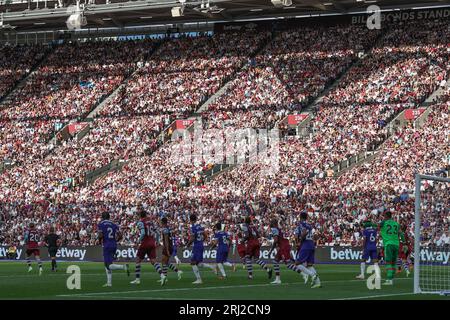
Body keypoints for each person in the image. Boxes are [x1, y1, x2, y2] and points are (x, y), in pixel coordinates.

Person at [130, 211, 165, 285]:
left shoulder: (140, 222)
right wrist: (158, 241)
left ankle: (137, 279)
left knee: (138, 260)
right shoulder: (151, 222)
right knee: (153, 261)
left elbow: (142, 233)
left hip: (145, 242)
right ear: (146, 215)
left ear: (140, 215)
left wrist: (138, 242)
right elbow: (158, 232)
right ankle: (162, 275)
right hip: (152, 242)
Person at [97, 212, 129, 287]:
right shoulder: (113, 224)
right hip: (114, 244)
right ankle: (109, 283)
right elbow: (120, 235)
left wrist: (99, 241)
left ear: (102, 217)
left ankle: (123, 267)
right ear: (109, 217)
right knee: (108, 263)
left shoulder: (101, 224)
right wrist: (115, 241)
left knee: (107, 265)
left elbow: (100, 234)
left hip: (107, 245)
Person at [185, 214, 216, 284]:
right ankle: (211, 266)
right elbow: (205, 235)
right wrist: (201, 241)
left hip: (196, 246)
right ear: (196, 219)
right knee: (198, 263)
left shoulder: (193, 227)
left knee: (192, 263)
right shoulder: (199, 226)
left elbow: (192, 238)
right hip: (200, 245)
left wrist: (187, 245)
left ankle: (199, 279)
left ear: (190, 220)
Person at [293, 211, 321, 288]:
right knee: (309, 265)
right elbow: (315, 235)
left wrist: (299, 242)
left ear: (300, 217)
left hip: (306, 245)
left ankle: (312, 275)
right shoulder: (309, 225)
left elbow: (302, 234)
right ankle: (318, 283)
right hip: (311, 244)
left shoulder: (301, 224)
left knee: (297, 263)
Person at [379, 210, 400, 285]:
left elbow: (378, 226)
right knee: (393, 262)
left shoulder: (383, 222)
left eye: (384, 216)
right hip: (396, 244)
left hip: (388, 244)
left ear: (386, 216)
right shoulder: (396, 224)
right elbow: (400, 233)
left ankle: (389, 280)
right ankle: (392, 278)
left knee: (388, 262)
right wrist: (404, 242)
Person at [160, 217, 183, 282]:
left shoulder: (165, 229)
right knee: (165, 262)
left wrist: (167, 249)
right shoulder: (168, 228)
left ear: (162, 222)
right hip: (169, 246)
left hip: (167, 247)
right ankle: (177, 271)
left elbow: (166, 240)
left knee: (164, 262)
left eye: (161, 222)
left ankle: (164, 277)